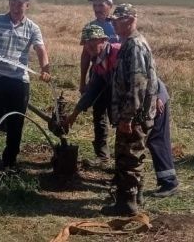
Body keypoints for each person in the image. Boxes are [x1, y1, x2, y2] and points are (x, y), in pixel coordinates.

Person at [67, 24, 178, 203]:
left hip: (154, 100)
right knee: (128, 144)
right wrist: (73, 116)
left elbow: (149, 74)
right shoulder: (98, 63)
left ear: (103, 41)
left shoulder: (121, 51)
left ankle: (169, 182)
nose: (88, 48)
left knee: (156, 141)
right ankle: (126, 184)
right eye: (85, 44)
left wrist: (159, 96)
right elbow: (92, 92)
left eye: (91, 43)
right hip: (134, 106)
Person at [0, 0, 51, 172]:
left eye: (20, 4)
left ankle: (9, 162)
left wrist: (45, 69)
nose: (16, 7)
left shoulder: (32, 27)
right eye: (13, 3)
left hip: (18, 82)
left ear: (27, 6)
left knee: (16, 123)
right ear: (9, 3)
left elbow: (41, 50)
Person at [102, 3, 158, 216]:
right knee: (135, 156)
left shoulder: (134, 46)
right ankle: (136, 196)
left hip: (133, 116)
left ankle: (127, 204)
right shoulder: (132, 43)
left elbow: (137, 84)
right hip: (137, 114)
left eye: (116, 20)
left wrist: (128, 117)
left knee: (128, 158)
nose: (113, 24)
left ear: (129, 20)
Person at [77, 0, 119, 166]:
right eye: (94, 6)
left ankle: (122, 157)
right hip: (98, 75)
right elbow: (85, 55)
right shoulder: (90, 27)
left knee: (118, 115)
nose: (97, 9)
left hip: (118, 78)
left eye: (101, 5)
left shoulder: (117, 25)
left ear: (110, 6)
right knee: (99, 115)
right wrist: (82, 81)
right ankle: (102, 156)